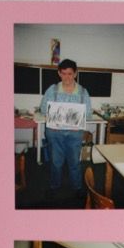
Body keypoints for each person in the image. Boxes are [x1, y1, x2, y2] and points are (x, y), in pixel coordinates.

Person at [39, 58, 92, 199]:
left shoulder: (83, 92)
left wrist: (78, 121)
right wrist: (53, 116)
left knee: (74, 162)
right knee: (56, 162)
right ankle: (54, 186)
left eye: (70, 74)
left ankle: (77, 187)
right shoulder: (52, 90)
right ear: (59, 73)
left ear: (75, 73)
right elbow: (43, 109)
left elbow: (88, 113)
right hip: (54, 133)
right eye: (63, 74)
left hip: (75, 134)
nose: (66, 77)